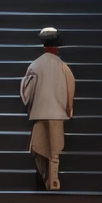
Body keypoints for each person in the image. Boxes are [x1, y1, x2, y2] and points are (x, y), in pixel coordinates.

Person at [20, 25, 75, 191]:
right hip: (57, 113)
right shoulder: (63, 67)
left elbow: (26, 93)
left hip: (39, 111)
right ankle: (53, 181)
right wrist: (69, 109)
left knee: (40, 147)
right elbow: (70, 88)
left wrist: (30, 105)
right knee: (55, 150)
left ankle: (44, 179)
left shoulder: (35, 66)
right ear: (57, 47)